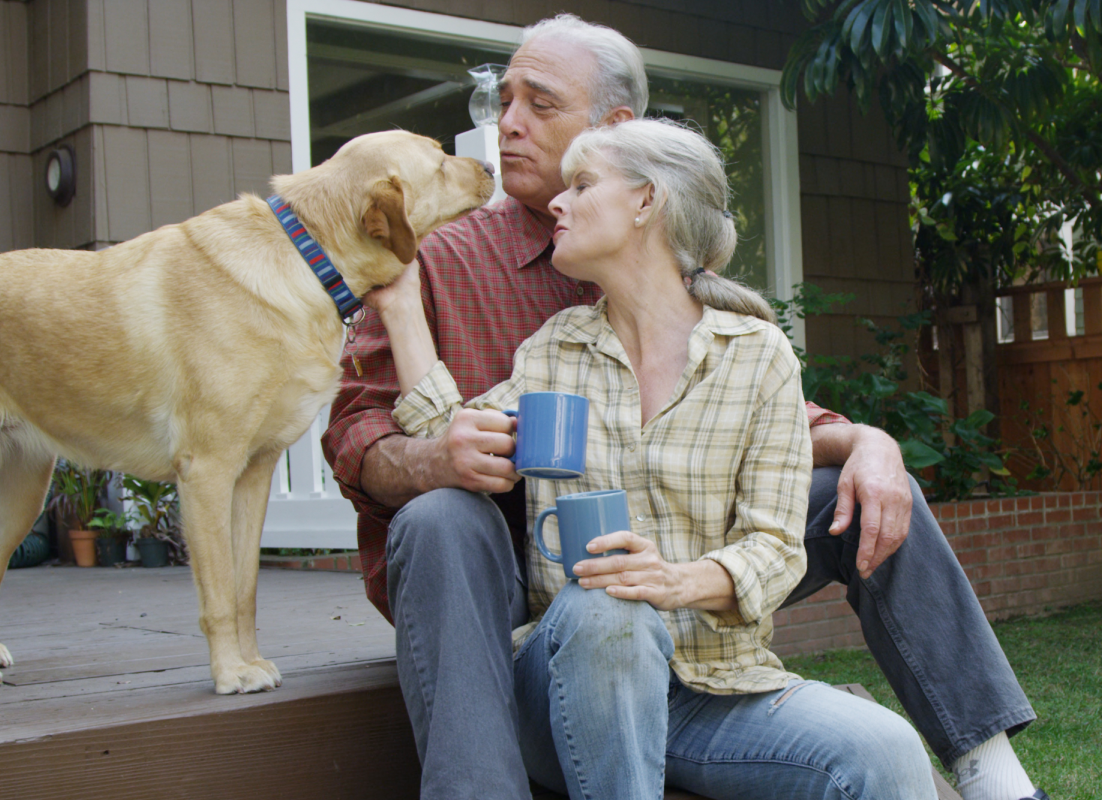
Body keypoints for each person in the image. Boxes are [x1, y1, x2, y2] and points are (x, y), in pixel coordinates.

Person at [323, 14, 1046, 800]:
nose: (509, 124)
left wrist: (866, 441)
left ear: (623, 149)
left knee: (868, 488)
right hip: (507, 568)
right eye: (505, 102)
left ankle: (991, 771)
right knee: (453, 522)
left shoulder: (718, 322)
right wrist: (435, 453)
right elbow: (360, 423)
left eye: (539, 103)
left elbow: (737, 416)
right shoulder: (473, 276)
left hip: (674, 574)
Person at [373, 116, 937, 799]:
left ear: (647, 201)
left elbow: (780, 547)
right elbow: (450, 435)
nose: (557, 200)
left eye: (582, 184)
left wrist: (676, 581)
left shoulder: (757, 357)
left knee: (887, 751)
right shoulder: (556, 350)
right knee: (609, 607)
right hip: (564, 691)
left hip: (714, 692)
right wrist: (402, 305)